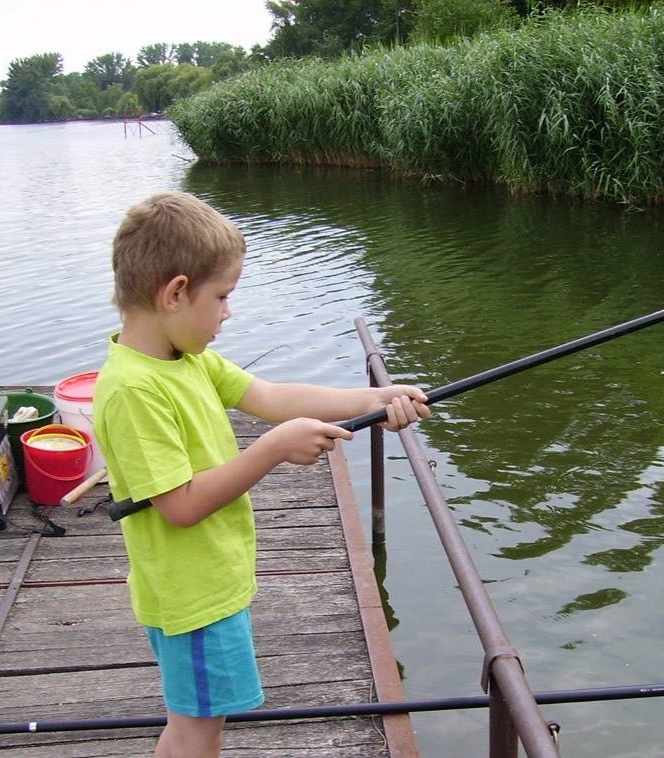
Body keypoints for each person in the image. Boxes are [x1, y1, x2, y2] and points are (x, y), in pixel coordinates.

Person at [93, 191, 430, 758]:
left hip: (208, 583)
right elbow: (180, 506)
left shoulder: (184, 358)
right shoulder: (132, 389)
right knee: (197, 731)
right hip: (190, 593)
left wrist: (373, 396)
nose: (229, 312)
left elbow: (271, 395)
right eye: (222, 296)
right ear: (175, 292)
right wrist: (272, 449)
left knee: (196, 723)